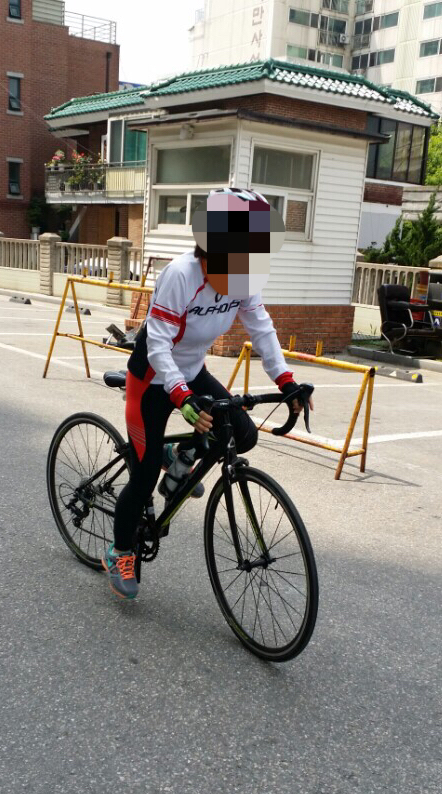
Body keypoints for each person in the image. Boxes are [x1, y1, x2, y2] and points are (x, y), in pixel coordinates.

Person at [102, 187, 312, 599]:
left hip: (192, 372)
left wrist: (286, 382)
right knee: (143, 477)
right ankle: (120, 550)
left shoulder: (242, 277)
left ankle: (179, 456)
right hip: (153, 378)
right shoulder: (182, 275)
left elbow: (262, 328)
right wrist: (181, 397)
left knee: (243, 434)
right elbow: (158, 344)